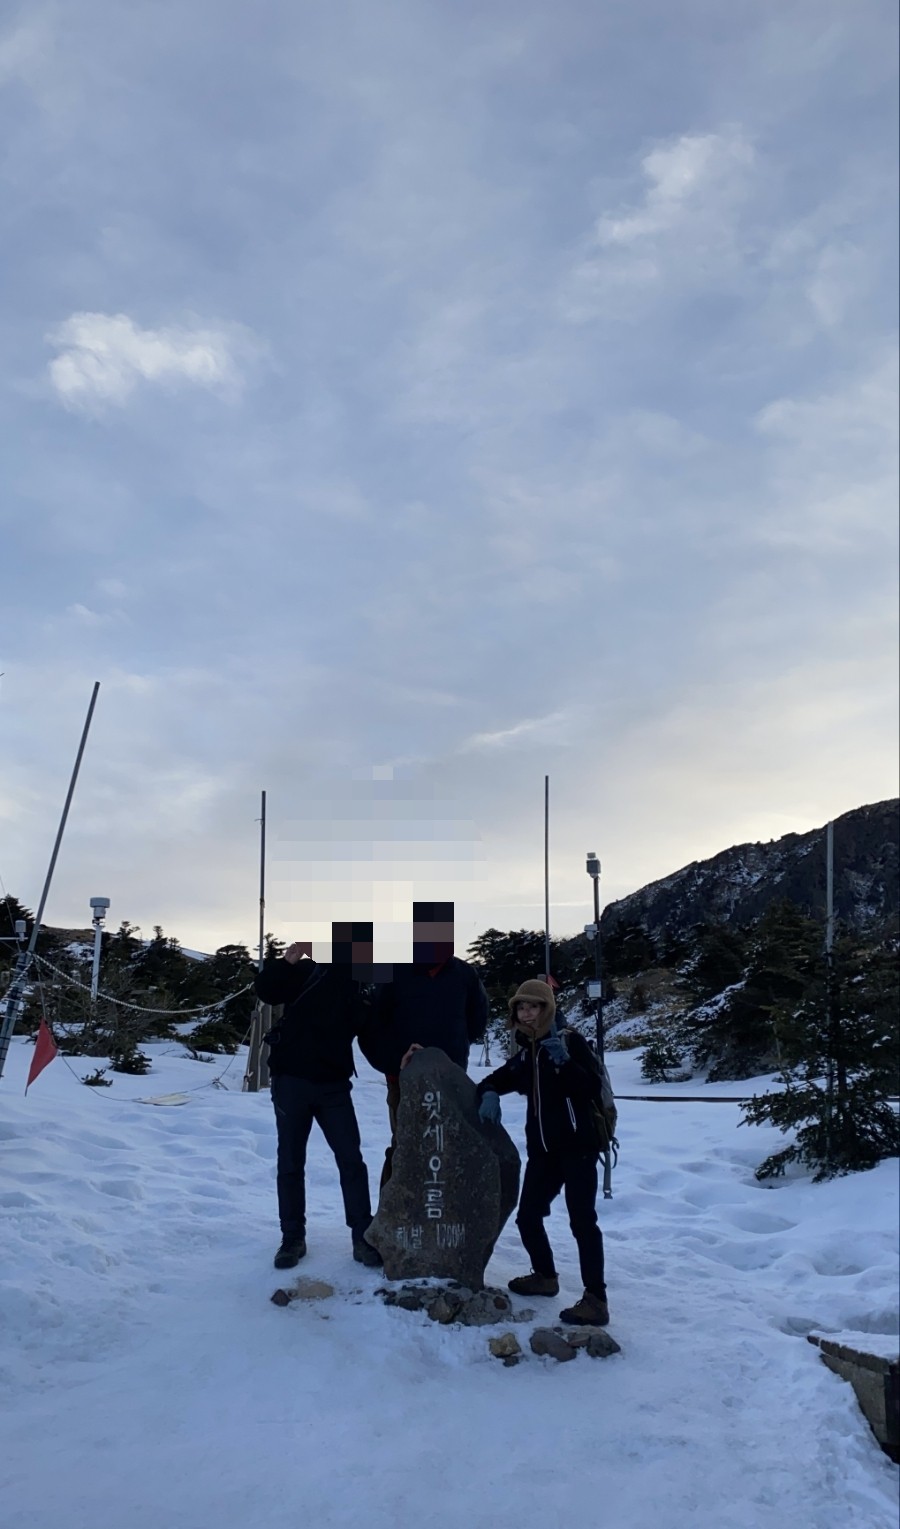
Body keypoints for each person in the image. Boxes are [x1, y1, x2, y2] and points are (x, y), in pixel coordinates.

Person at [475, 979, 610, 1326]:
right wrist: (489, 1092)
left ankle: (596, 1300)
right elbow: (496, 1079)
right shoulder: (526, 1053)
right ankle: (546, 1277)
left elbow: (590, 1087)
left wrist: (564, 1062)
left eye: (533, 1006)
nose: (527, 1013)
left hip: (578, 1149)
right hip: (544, 1152)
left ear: (547, 1008)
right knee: (528, 1216)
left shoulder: (569, 1042)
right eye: (521, 1007)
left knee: (583, 1222)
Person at [255, 923, 381, 1271]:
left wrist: (395, 1062)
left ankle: (362, 1237)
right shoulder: (308, 970)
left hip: (334, 1084)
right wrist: (285, 962)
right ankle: (292, 1238)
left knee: (351, 1160)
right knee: (291, 1162)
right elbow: (266, 991)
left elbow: (374, 1032)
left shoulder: (365, 985)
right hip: (291, 1080)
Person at [359, 901, 488, 1188]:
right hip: (404, 1079)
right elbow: (372, 1026)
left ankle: (441, 1211)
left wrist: (454, 1051)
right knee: (404, 1145)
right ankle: (392, 1212)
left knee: (448, 1143)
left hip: (451, 1079)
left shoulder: (465, 974)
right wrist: (393, 1064)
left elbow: (477, 1022)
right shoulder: (393, 970)